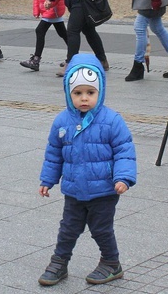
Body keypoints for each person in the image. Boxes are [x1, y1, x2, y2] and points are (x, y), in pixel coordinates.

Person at [37, 54, 136, 286]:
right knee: (68, 229)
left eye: (90, 93)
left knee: (101, 229)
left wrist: (123, 177)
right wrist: (47, 180)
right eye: (78, 93)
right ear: (68, 93)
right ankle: (59, 262)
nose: (84, 99)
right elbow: (53, 154)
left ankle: (112, 263)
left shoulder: (112, 120)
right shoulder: (62, 122)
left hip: (103, 190)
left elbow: (125, 151)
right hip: (74, 189)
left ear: (100, 91)